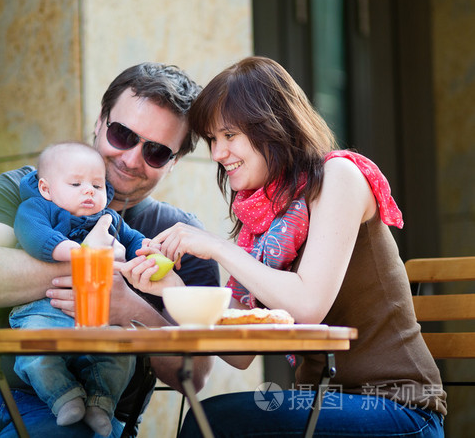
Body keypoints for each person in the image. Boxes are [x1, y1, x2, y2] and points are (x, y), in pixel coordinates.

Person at [0, 62, 220, 438]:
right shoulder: (27, 188)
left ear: (174, 163)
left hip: (89, 415)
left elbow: (195, 377)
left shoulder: (179, 237)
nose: (132, 158)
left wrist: (130, 310)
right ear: (100, 123)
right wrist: (90, 264)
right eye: (122, 135)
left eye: (155, 151)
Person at [131, 56, 446, 437]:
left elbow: (308, 305)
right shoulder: (266, 216)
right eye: (213, 140)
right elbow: (241, 353)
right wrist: (171, 290)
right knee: (209, 417)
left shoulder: (338, 176)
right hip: (322, 401)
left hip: (401, 408)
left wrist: (218, 247)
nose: (216, 154)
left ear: (273, 126)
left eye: (229, 136)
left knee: (213, 420)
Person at [11, 141, 158, 436]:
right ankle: (63, 397)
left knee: (120, 350)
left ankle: (100, 405)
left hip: (95, 317)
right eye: (76, 183)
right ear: (46, 189)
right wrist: (78, 253)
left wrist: (149, 249)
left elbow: (132, 240)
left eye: (97, 184)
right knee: (34, 349)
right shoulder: (37, 207)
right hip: (44, 310)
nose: (89, 191)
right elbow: (34, 235)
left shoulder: (110, 218)